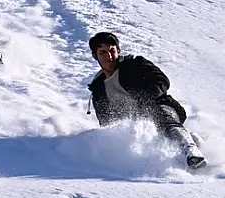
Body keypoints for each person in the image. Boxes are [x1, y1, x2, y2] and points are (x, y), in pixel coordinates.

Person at [86, 32, 206, 169]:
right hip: (137, 124)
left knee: (161, 116)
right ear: (95, 56)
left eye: (112, 51)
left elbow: (162, 80)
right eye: (103, 53)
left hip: (161, 107)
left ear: (118, 51)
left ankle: (191, 151)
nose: (109, 57)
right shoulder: (98, 87)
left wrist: (145, 100)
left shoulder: (135, 64)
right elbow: (106, 121)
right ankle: (195, 143)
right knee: (148, 139)